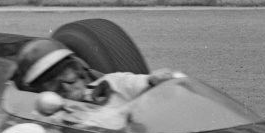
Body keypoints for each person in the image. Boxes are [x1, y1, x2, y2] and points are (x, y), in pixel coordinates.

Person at [15, 38, 184, 106]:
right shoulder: (47, 110)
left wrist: (153, 79)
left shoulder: (112, 82)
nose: (66, 88)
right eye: (52, 84)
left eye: (68, 76)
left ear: (79, 71)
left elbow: (135, 83)